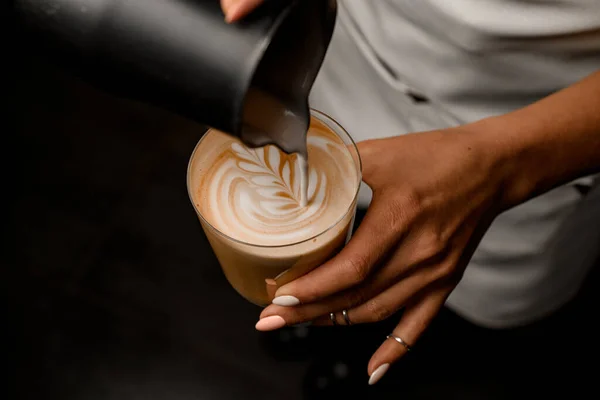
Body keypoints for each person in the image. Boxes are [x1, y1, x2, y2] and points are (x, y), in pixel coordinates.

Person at [221, 0, 600, 387]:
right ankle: (320, 319)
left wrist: (505, 165)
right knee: (336, 233)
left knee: (440, 295)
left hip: (542, 127)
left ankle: (364, 356)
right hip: (353, 54)